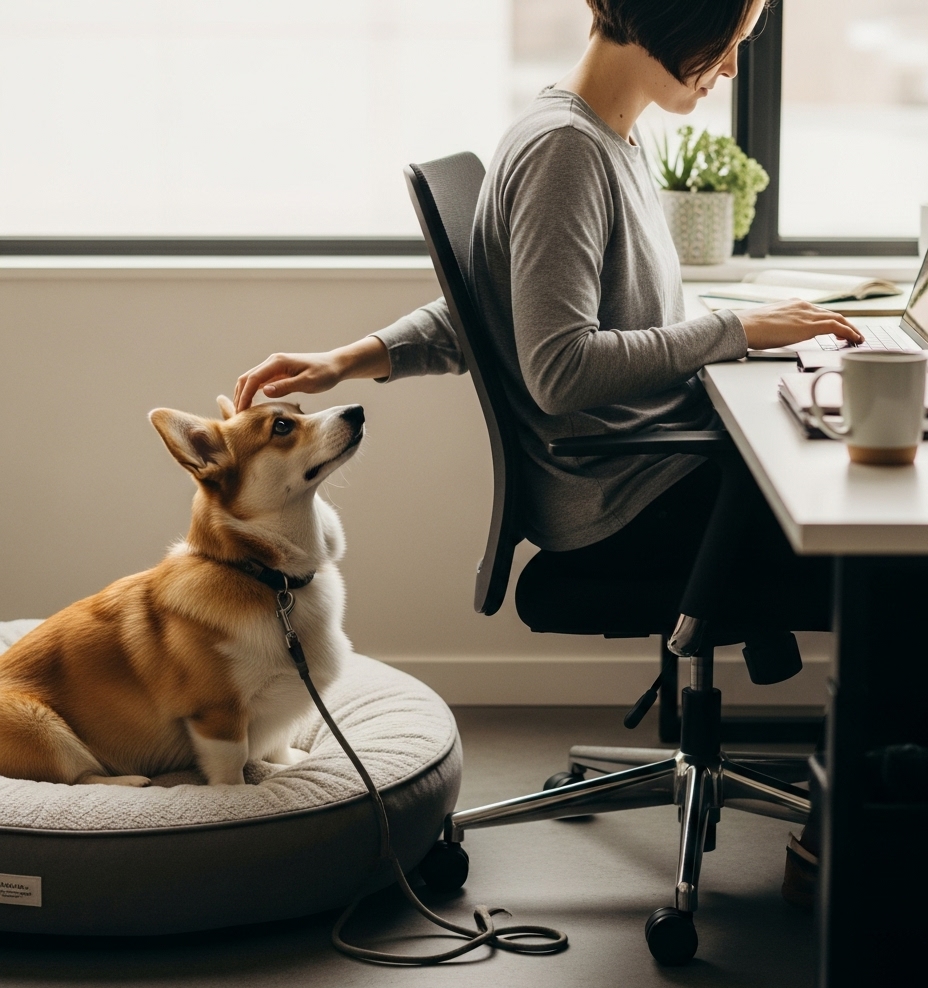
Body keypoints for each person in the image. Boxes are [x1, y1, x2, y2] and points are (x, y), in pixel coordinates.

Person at [234, 0, 863, 905]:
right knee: (904, 560)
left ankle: (895, 808)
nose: (729, 69)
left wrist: (351, 357)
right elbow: (558, 366)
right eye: (728, 45)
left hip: (654, 466)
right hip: (621, 502)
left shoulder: (610, 135)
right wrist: (733, 329)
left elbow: (491, 309)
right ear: (675, 19)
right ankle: (879, 830)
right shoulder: (565, 149)